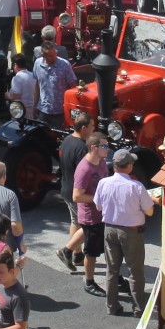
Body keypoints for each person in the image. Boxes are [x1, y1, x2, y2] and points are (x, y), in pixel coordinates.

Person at [96, 151, 156, 317]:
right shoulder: (136, 187)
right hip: (131, 231)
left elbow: (98, 207)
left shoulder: (103, 183)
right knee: (135, 271)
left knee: (112, 269)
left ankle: (112, 306)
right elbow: (150, 212)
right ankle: (138, 308)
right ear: (129, 166)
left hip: (109, 229)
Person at [56, 114, 93, 273]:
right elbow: (84, 173)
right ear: (83, 128)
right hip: (77, 193)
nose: (93, 130)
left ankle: (77, 254)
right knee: (89, 225)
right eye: (91, 127)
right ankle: (67, 250)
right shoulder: (81, 148)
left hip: (66, 189)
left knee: (75, 221)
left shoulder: (66, 140)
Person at [33, 42, 77, 126]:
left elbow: (73, 88)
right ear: (43, 55)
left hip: (60, 112)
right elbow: (37, 86)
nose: (54, 56)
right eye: (50, 55)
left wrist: (70, 109)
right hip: (43, 110)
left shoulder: (65, 65)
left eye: (55, 53)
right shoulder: (37, 64)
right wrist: (34, 106)